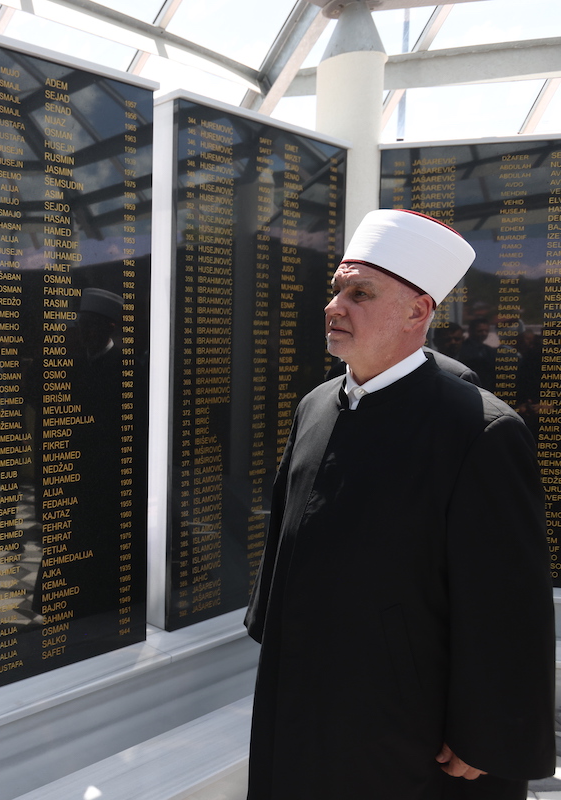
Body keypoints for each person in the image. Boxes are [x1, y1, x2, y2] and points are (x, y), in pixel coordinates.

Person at [246, 209, 555, 800]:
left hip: (409, 731)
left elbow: (509, 602)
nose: (336, 306)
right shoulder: (315, 406)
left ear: (419, 311)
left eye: (361, 293)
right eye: (337, 289)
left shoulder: (479, 432)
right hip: (305, 704)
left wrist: (486, 733)